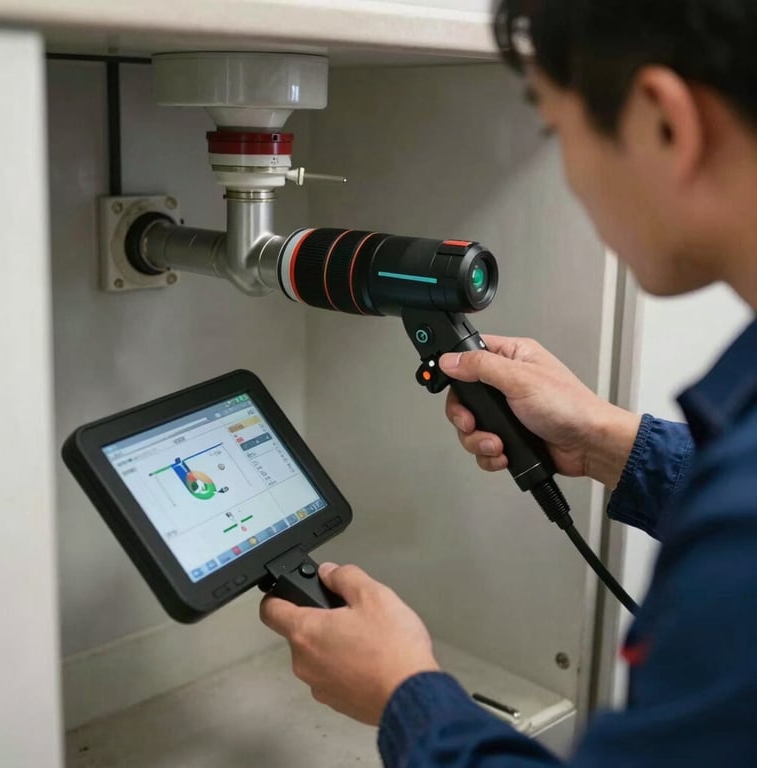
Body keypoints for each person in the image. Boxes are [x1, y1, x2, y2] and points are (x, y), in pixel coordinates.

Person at [261, 0, 757, 764]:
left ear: (664, 122)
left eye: (559, 134)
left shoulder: (736, 534)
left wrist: (403, 694)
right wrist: (607, 442)